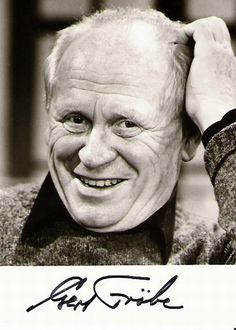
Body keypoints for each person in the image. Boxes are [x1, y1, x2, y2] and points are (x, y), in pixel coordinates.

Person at [0, 8, 235, 265]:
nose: (92, 155)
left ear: (189, 139)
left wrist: (222, 115)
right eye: (76, 120)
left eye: (127, 124)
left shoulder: (214, 257)